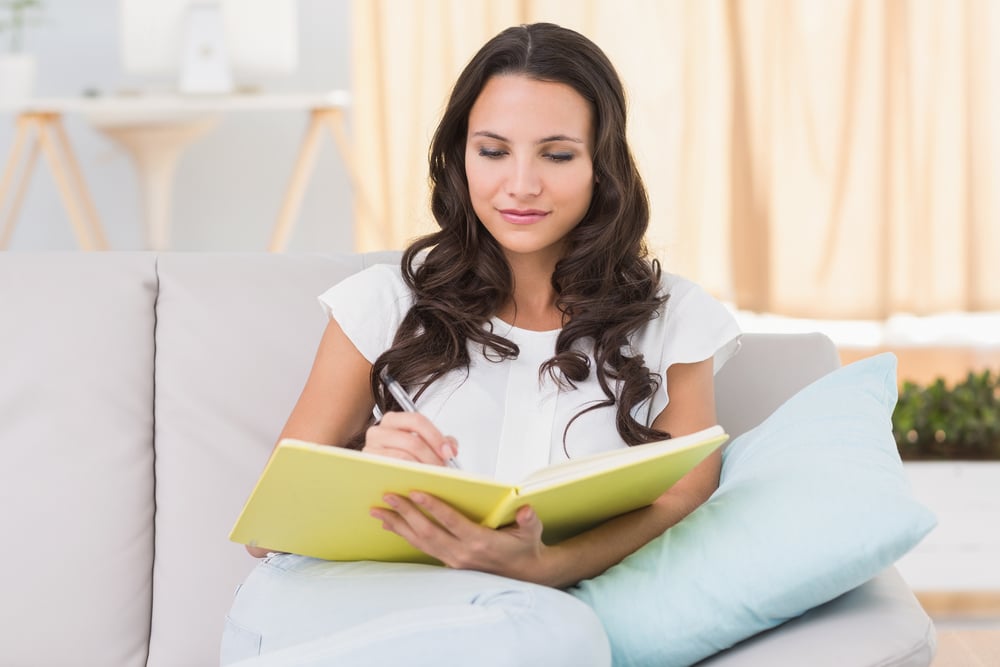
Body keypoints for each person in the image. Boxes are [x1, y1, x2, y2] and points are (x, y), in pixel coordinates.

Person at [221, 22, 740, 666]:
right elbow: (264, 536)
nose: (520, 185)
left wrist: (548, 567)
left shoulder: (673, 317)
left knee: (557, 631)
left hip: (524, 627)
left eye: (556, 154)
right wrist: (363, 470)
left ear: (603, 165)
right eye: (493, 151)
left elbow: (683, 493)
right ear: (459, 157)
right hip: (329, 608)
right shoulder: (383, 303)